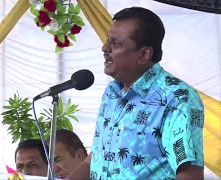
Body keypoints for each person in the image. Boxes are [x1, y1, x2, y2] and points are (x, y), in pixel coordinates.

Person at [67, 7, 204, 180]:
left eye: (115, 43)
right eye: (108, 40)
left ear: (144, 54)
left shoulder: (177, 97)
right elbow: (95, 159)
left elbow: (189, 173)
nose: (104, 48)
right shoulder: (112, 92)